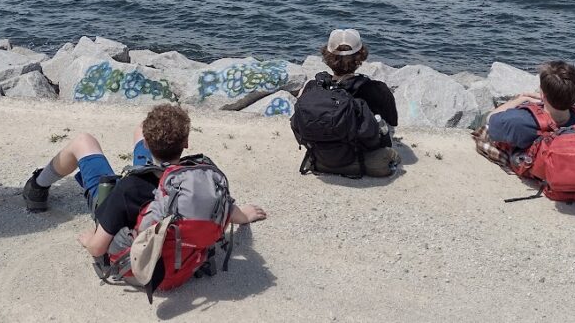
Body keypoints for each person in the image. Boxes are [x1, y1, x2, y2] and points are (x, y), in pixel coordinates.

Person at [21, 104, 267, 261]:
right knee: (141, 127)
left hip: (130, 214)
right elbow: (221, 205)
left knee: (83, 141)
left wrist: (86, 238)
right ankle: (161, 145)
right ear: (187, 143)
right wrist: (243, 215)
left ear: (148, 147)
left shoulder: (128, 189)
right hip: (163, 187)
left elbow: (97, 248)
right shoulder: (198, 175)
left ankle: (37, 187)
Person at [291, 28, 400, 177]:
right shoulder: (375, 89)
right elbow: (392, 121)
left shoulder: (313, 88)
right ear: (361, 56)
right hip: (361, 156)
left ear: (327, 56)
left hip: (321, 157)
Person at [474, 60, 575, 171]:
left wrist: (520, 99)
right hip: (572, 165)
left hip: (537, 163)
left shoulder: (519, 121)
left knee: (481, 121)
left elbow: (490, 120)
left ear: (542, 94)